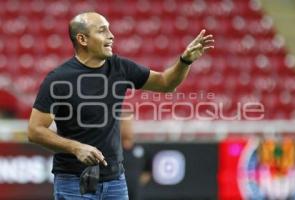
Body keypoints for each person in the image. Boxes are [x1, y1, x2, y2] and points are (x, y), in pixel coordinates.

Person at [27, 12, 214, 200]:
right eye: (102, 30)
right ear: (82, 39)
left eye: (109, 29)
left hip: (115, 182)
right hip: (74, 182)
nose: (111, 35)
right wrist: (76, 148)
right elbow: (35, 130)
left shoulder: (120, 67)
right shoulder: (58, 80)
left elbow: (166, 83)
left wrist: (185, 60)